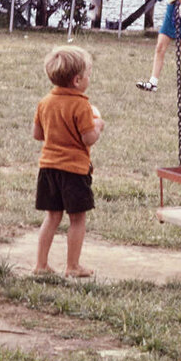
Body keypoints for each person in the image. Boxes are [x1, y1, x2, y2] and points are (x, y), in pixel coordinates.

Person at [33, 45, 104, 278]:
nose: (89, 79)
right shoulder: (81, 105)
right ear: (77, 80)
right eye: (88, 75)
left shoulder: (44, 102)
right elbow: (88, 138)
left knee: (52, 217)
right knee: (77, 218)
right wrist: (98, 125)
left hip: (48, 168)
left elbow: (38, 134)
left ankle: (41, 265)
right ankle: (72, 266)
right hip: (74, 171)